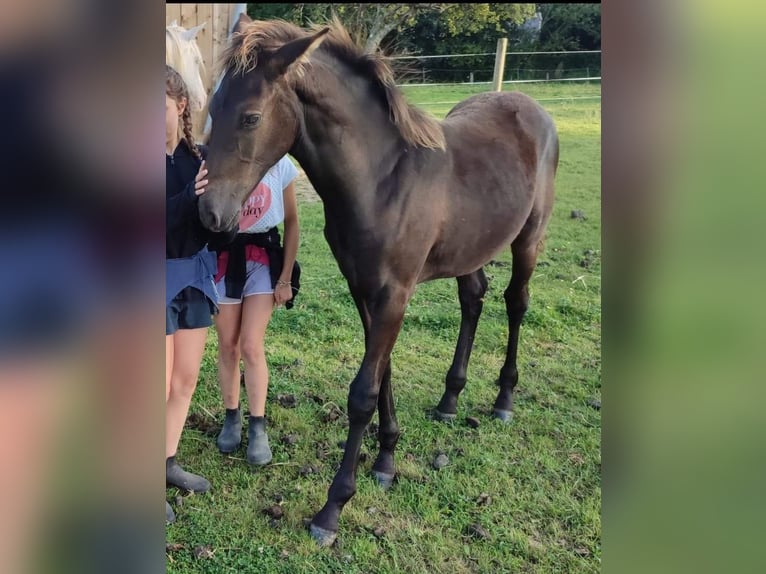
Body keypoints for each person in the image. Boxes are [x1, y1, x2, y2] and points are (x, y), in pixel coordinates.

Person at [165, 65, 235, 523]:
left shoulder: (201, 158)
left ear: (181, 105)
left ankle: (164, 462)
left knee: (184, 381)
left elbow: (214, 235)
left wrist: (227, 216)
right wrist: (192, 198)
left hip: (194, 277)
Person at [209, 154, 300, 466]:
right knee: (227, 345)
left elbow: (292, 221)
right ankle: (231, 415)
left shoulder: (280, 165)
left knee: (250, 344)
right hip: (223, 259)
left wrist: (285, 277)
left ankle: (258, 425)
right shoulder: (218, 159)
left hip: (263, 259)